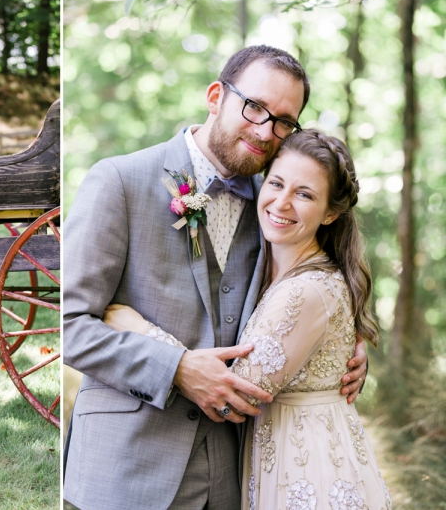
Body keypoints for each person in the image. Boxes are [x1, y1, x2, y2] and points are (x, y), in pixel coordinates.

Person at [62, 46, 368, 510]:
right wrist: (177, 368)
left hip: (232, 476)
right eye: (255, 107)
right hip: (125, 469)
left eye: (284, 120)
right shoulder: (119, 180)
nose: (267, 131)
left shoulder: (274, 209)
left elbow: (302, 299)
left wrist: (343, 348)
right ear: (214, 96)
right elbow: (69, 326)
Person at [104, 129, 392, 509]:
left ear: (331, 214)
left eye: (304, 194)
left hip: (309, 472)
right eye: (276, 183)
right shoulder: (272, 265)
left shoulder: (305, 290)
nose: (282, 202)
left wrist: (137, 328)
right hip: (281, 458)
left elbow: (232, 397)